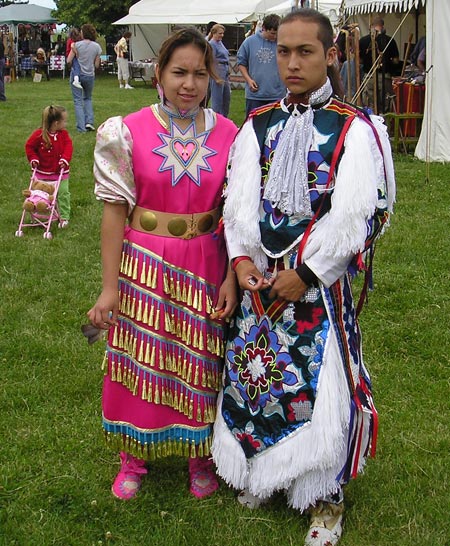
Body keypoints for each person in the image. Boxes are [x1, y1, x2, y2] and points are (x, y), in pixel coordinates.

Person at [211, 8, 395, 546]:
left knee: (322, 386)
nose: (291, 63)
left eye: (305, 52)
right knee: (256, 375)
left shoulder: (355, 129)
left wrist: (308, 274)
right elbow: (238, 203)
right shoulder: (258, 123)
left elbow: (364, 215)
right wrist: (242, 260)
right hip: (260, 285)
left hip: (316, 288)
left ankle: (324, 498)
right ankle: (262, 472)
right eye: (283, 52)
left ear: (330, 55)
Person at [87, 28, 238, 501]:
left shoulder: (231, 134)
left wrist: (232, 275)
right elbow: (115, 212)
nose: (189, 84)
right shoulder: (126, 130)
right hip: (145, 261)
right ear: (159, 73)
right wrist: (110, 287)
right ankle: (133, 456)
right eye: (179, 72)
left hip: (206, 260)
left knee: (202, 357)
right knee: (140, 353)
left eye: (199, 73)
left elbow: (237, 214)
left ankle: (201, 455)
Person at [25, 105, 73, 227]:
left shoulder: (64, 135)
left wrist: (65, 159)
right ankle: (38, 211)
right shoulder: (39, 135)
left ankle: (64, 216)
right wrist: (33, 158)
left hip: (60, 172)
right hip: (42, 172)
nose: (65, 123)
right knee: (39, 193)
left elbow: (68, 147)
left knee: (63, 193)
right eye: (64, 121)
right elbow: (29, 147)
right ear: (56, 123)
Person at [237, 14, 286, 117]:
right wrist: (249, 80)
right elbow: (241, 63)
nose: (275, 37)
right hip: (255, 95)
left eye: (277, 33)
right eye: (272, 33)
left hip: (277, 94)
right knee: (254, 128)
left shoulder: (282, 43)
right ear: (264, 28)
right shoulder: (249, 42)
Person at [359, 16, 400, 111]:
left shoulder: (363, 41)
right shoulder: (390, 40)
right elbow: (396, 60)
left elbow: (359, 60)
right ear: (383, 26)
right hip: (384, 77)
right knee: (385, 104)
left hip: (369, 77)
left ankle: (372, 122)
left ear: (371, 26)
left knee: (370, 104)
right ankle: (384, 122)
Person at [66, 24, 102, 133]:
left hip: (77, 74)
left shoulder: (76, 45)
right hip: (89, 75)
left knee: (78, 101)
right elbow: (96, 65)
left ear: (83, 33)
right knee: (88, 98)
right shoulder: (97, 47)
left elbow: (68, 60)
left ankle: (81, 127)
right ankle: (89, 122)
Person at [208, 24, 231, 117]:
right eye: (220, 33)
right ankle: (215, 118)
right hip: (217, 70)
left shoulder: (220, 42)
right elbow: (211, 61)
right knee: (217, 98)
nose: (222, 35)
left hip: (224, 70)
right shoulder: (212, 44)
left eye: (223, 33)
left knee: (226, 97)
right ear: (214, 33)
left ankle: (224, 118)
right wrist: (215, 77)